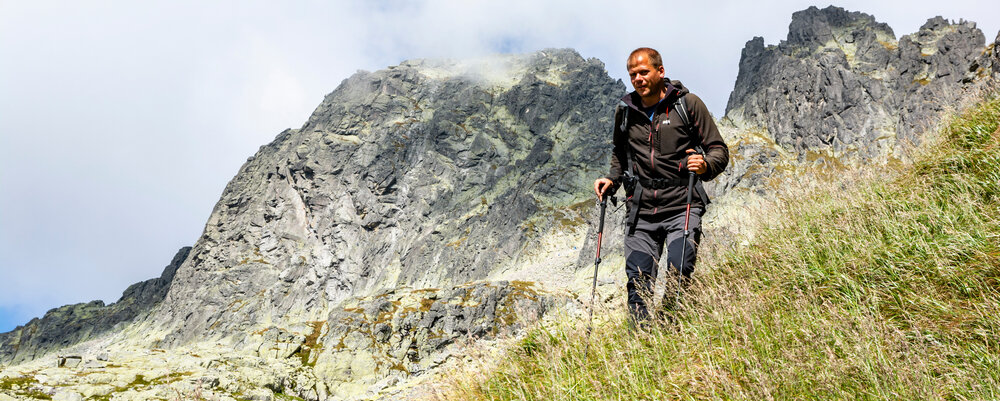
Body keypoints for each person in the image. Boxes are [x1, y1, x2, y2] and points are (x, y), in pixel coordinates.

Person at [594, 47, 729, 322]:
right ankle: (643, 347)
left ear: (660, 72)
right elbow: (620, 154)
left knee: (680, 270)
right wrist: (612, 179)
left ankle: (672, 331)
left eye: (644, 72)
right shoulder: (625, 112)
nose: (638, 79)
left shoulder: (687, 105)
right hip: (641, 211)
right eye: (633, 74)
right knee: (638, 285)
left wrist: (704, 165)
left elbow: (718, 150)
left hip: (683, 204)